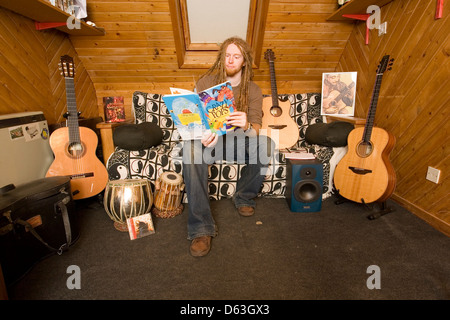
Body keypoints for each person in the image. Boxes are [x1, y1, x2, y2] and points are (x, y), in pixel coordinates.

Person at [182, 37, 274, 257]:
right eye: (227, 55)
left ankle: (243, 196)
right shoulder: (206, 82)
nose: (230, 60)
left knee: (266, 145)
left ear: (244, 61)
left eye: (237, 56)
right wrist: (203, 134)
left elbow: (256, 128)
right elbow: (195, 120)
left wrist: (248, 125)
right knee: (189, 150)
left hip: (236, 142)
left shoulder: (253, 89)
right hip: (210, 143)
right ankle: (201, 228)